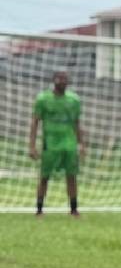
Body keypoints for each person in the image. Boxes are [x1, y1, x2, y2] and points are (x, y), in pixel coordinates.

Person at [28, 70, 84, 217]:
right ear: (54, 80)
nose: (63, 81)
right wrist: (32, 145)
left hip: (69, 143)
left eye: (65, 78)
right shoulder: (43, 99)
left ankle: (73, 209)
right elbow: (35, 122)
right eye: (60, 78)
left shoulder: (74, 100)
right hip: (50, 144)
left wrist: (81, 144)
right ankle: (39, 209)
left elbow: (77, 124)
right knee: (44, 177)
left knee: (71, 176)